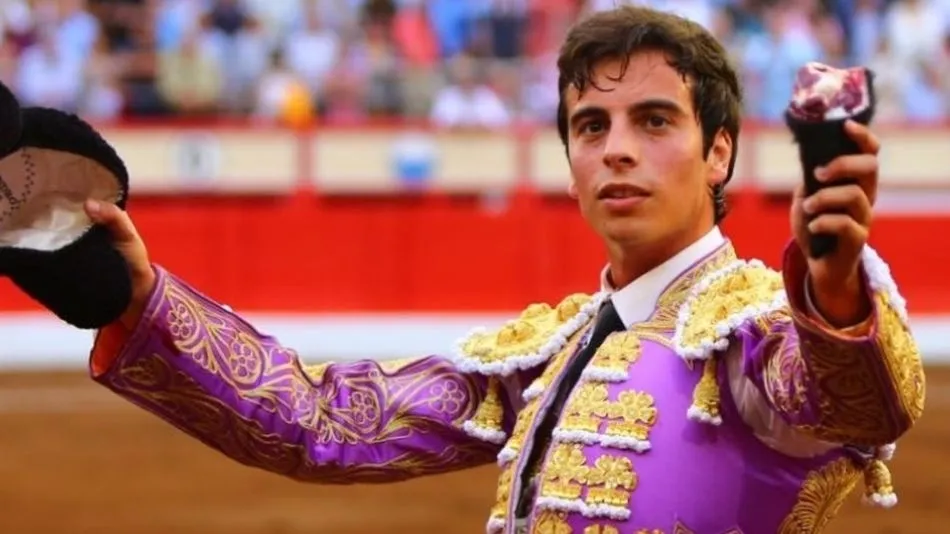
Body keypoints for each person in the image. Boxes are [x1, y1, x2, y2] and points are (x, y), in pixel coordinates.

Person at [81, 6, 925, 533]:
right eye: (590, 126)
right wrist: (141, 299)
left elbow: (854, 401)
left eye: (654, 120)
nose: (617, 149)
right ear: (571, 167)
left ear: (719, 154)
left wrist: (832, 288)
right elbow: (325, 423)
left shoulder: (752, 335)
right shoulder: (550, 356)